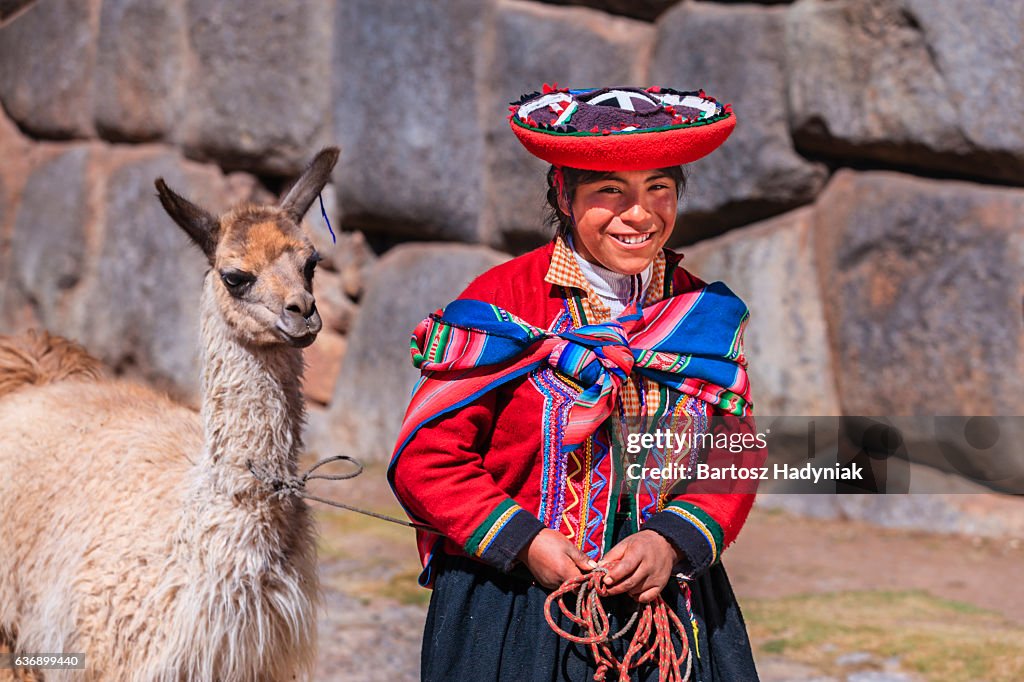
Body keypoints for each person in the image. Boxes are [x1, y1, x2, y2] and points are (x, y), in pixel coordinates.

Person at [389, 86, 762, 681]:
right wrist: (526, 542)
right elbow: (429, 458)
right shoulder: (503, 304)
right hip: (517, 608)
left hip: (664, 609)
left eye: (659, 188)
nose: (639, 214)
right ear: (564, 194)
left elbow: (734, 453)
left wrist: (672, 540)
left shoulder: (702, 317)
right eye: (609, 190)